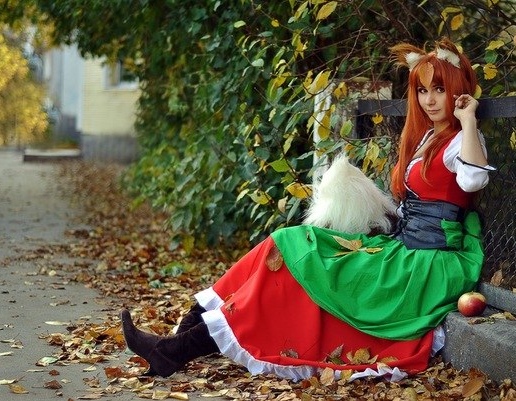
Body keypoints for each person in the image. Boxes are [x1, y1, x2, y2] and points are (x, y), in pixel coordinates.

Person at [120, 37, 495, 381]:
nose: (430, 100)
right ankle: (176, 342)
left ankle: (174, 349)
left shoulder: (462, 139)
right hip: (402, 251)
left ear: (458, 91)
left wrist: (468, 119)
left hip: (426, 267)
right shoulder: (428, 137)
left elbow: (474, 180)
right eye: (423, 91)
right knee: (285, 241)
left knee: (300, 262)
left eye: (439, 90)